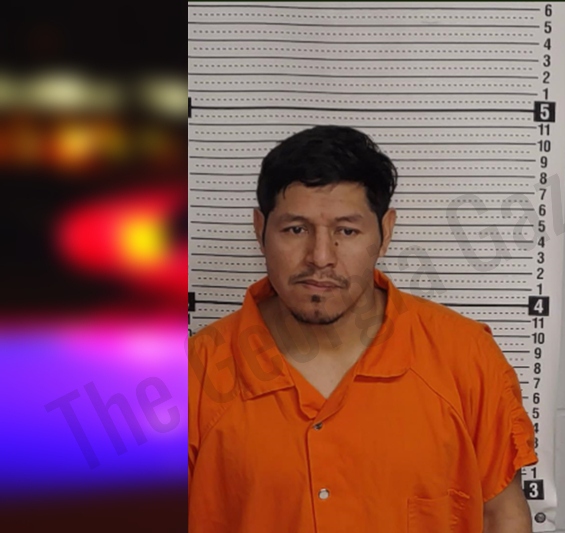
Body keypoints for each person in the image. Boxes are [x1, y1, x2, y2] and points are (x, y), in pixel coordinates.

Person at [188, 125, 538, 533]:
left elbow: (501, 514)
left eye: (346, 231)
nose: (320, 257)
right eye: (296, 229)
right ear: (259, 229)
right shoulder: (194, 373)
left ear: (385, 232)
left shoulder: (466, 357)